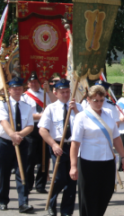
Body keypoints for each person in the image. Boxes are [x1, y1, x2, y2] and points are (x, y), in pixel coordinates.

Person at [69, 85, 124, 216]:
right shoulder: (82, 117)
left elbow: (116, 138)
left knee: (106, 192)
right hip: (88, 162)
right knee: (89, 197)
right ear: (88, 99)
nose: (99, 103)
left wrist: (123, 157)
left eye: (101, 100)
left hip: (107, 160)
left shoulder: (108, 115)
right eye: (95, 100)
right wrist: (73, 166)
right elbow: (75, 144)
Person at [38, 78, 82, 216]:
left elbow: (86, 124)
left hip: (74, 146)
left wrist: (75, 110)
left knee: (72, 180)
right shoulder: (51, 108)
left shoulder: (79, 107)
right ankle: (52, 202)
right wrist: (53, 144)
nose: (65, 95)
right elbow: (42, 130)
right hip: (58, 146)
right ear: (55, 93)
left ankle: (66, 211)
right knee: (60, 178)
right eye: (62, 92)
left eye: (67, 92)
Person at [0, 77, 34, 213]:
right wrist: (12, 135)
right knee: (4, 173)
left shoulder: (27, 107)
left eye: (19, 88)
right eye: (14, 89)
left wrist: (19, 135)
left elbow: (30, 126)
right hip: (5, 143)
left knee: (22, 172)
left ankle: (23, 202)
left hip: (21, 142)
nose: (17, 91)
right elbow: (4, 122)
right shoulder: (3, 105)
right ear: (9, 90)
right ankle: (2, 200)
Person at [22, 72, 55, 194]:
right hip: (31, 129)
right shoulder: (24, 96)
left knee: (44, 158)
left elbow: (54, 103)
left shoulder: (45, 93)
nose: (34, 84)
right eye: (31, 82)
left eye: (36, 81)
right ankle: (28, 184)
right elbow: (25, 115)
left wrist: (49, 90)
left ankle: (40, 185)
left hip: (45, 129)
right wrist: (40, 116)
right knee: (29, 158)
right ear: (28, 83)